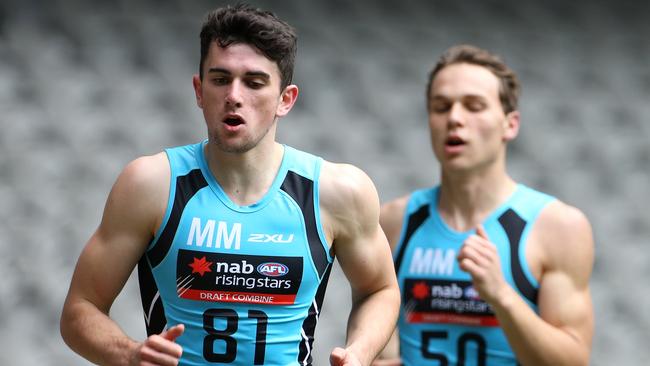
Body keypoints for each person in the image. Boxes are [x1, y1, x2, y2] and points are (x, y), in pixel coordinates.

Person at [60, 4, 400, 366]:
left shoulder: (337, 191)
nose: (234, 96)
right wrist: (129, 355)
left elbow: (379, 289)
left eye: (254, 83)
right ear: (199, 90)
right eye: (220, 79)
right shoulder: (151, 183)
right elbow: (80, 310)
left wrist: (359, 354)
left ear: (286, 99)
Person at [375, 44, 594, 365]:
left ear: (511, 124)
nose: (454, 118)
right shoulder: (393, 221)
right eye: (441, 106)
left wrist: (500, 293)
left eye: (474, 106)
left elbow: (573, 361)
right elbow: (380, 334)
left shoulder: (559, 226)